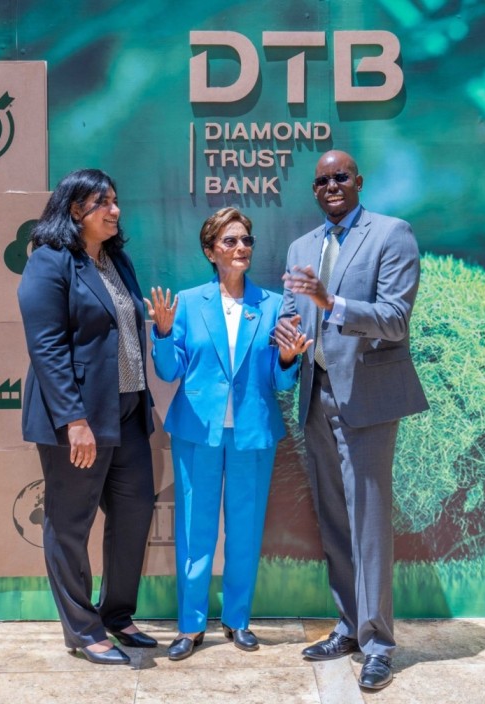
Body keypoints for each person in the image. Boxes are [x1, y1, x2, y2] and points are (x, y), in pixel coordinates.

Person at [274, 150, 429, 691]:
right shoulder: (300, 247)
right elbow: (294, 318)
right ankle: (348, 626)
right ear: (314, 190)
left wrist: (331, 300)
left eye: (340, 176)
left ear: (358, 181)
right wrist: (289, 342)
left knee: (368, 521)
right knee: (335, 521)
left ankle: (380, 644)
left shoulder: (391, 234)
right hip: (316, 398)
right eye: (321, 180)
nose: (331, 185)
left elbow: (394, 319)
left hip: (366, 400)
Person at [146, 207, 310, 661]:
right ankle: (190, 626)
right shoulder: (187, 302)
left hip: (252, 433)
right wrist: (162, 333)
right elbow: (168, 370)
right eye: (230, 241)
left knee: (245, 530)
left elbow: (281, 384)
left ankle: (238, 620)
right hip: (198, 431)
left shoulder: (273, 304)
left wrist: (287, 360)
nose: (241, 248)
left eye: (246, 241)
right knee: (194, 530)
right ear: (210, 250)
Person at [17, 168, 158, 666]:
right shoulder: (50, 262)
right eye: (104, 203)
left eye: (116, 200)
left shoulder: (116, 260)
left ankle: (116, 615)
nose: (115, 210)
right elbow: (47, 347)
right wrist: (73, 420)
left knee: (136, 510)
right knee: (70, 523)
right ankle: (82, 629)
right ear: (76, 210)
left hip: (128, 411)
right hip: (77, 419)